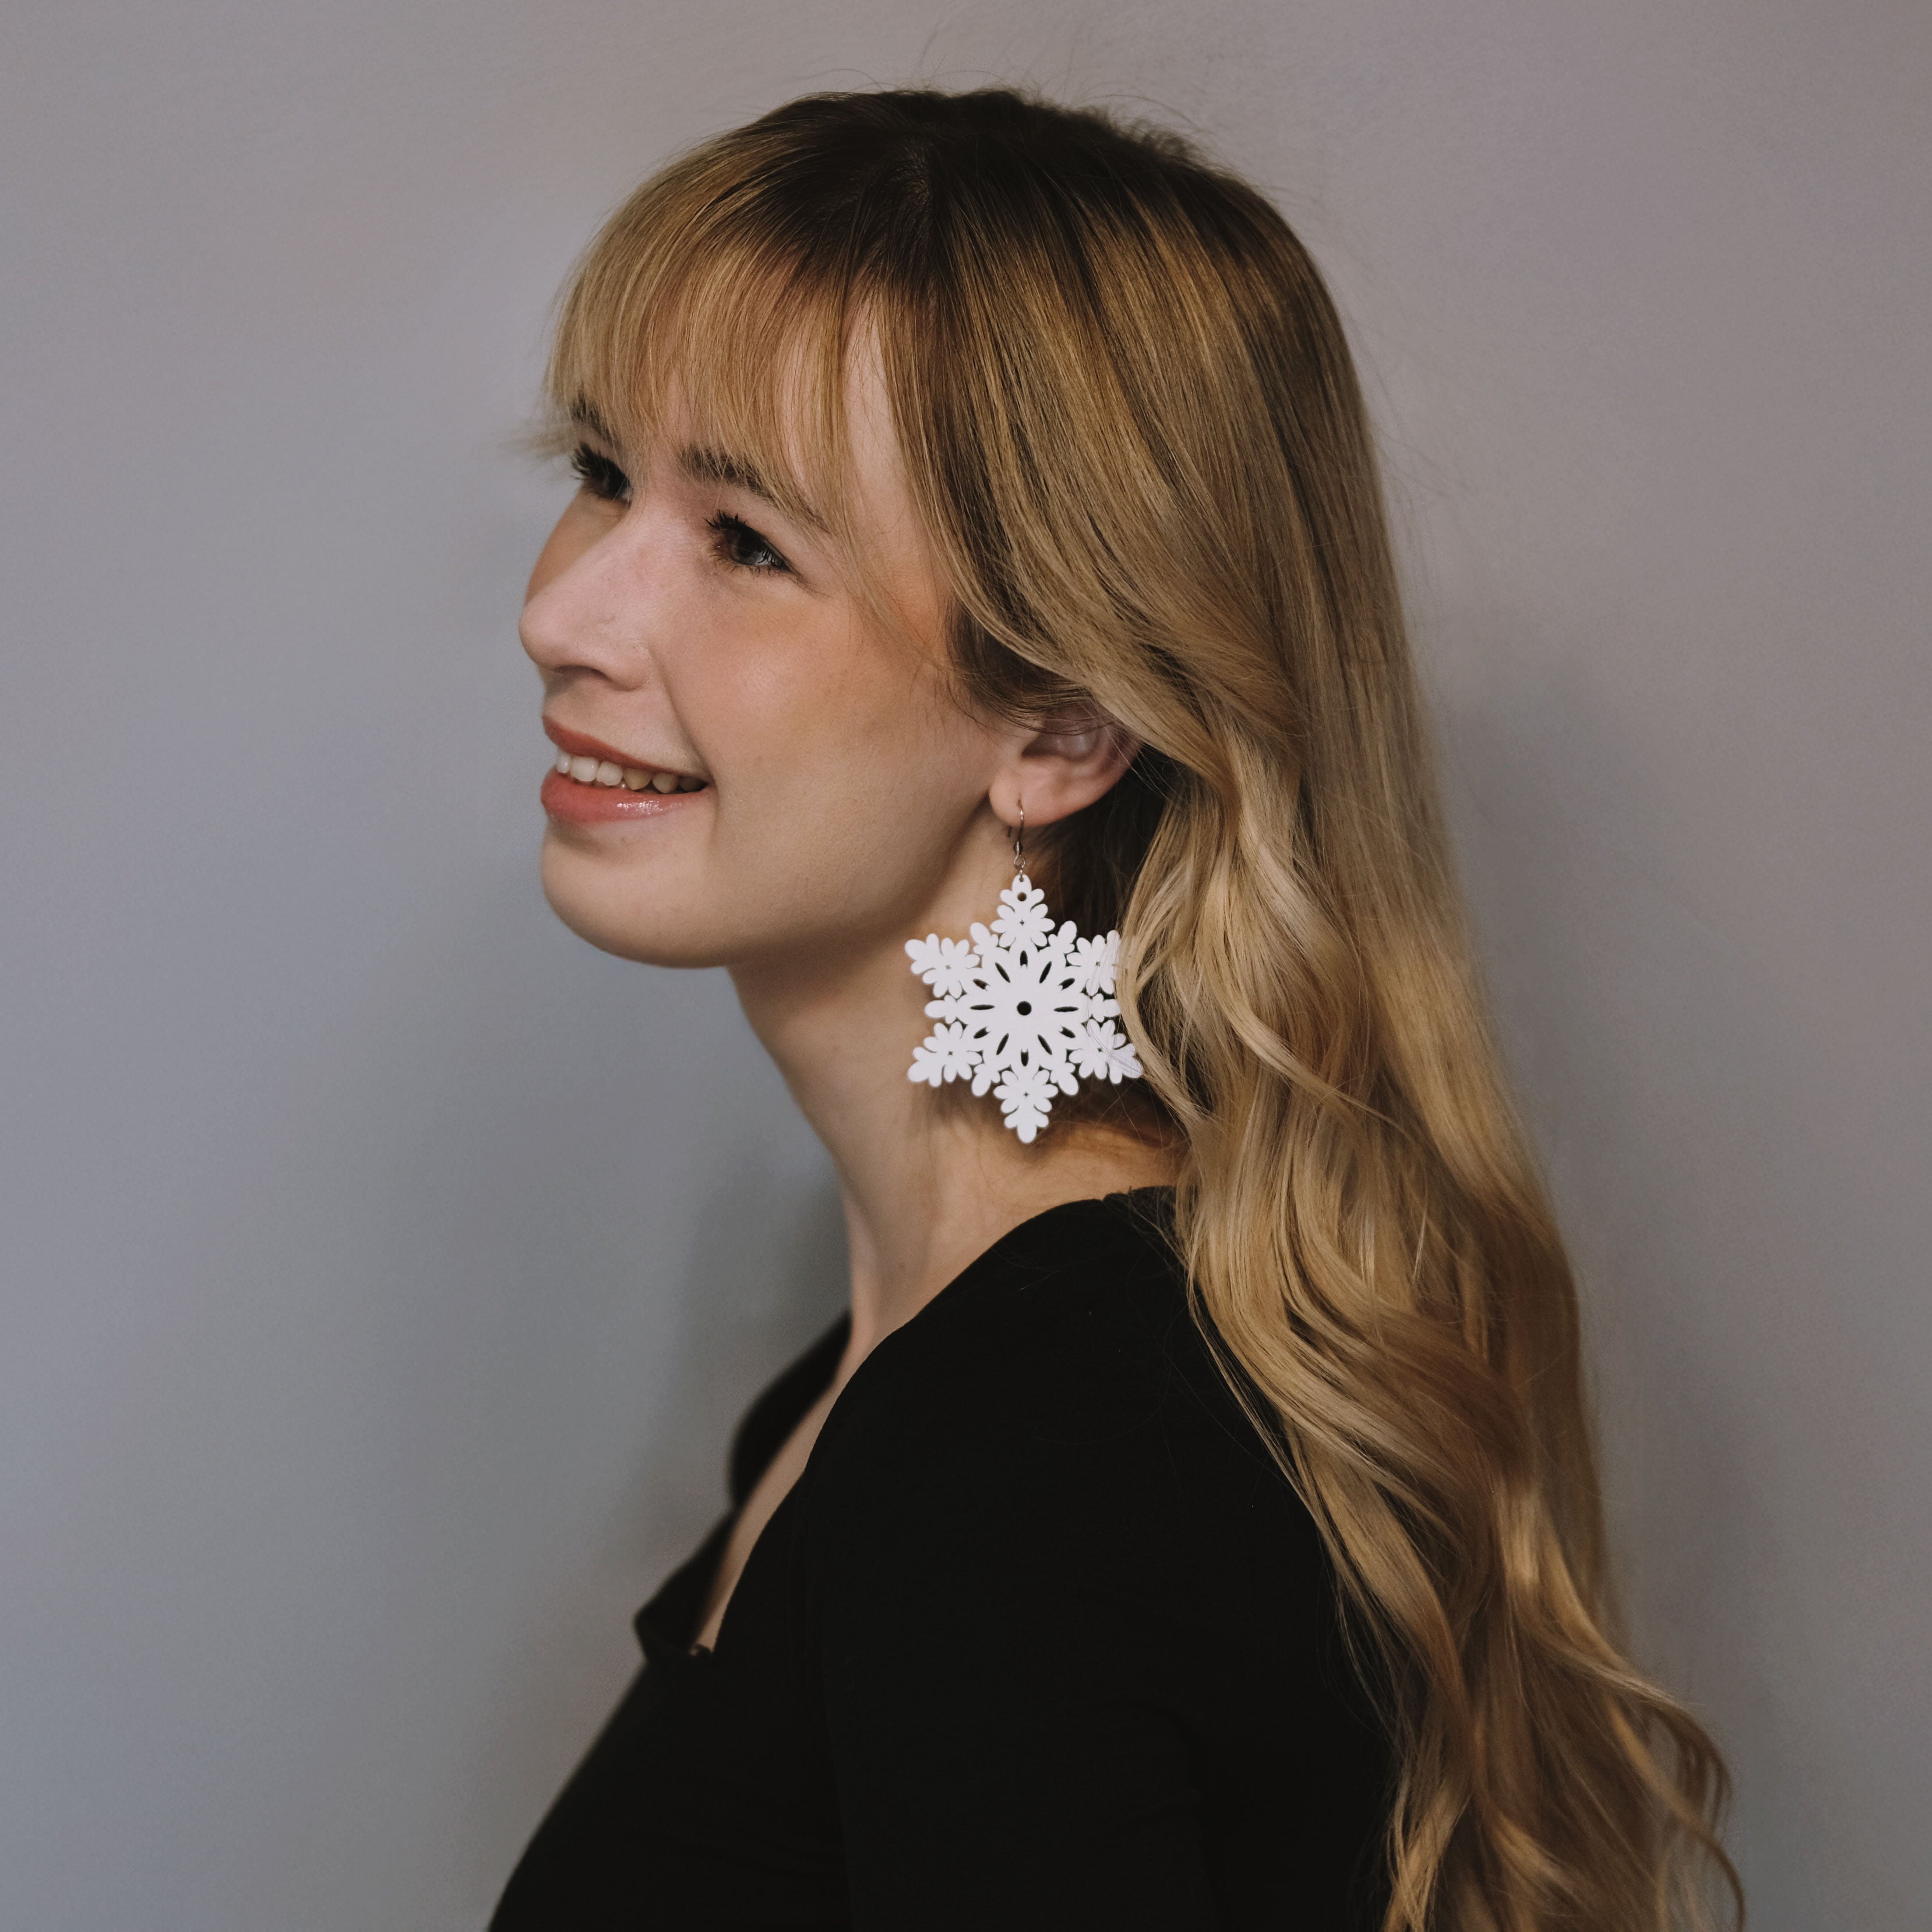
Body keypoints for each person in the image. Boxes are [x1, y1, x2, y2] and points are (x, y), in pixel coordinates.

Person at [488, 86, 1738, 1932]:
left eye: (745, 540)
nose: (566, 612)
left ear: (1062, 730)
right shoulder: (928, 1380)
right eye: (601, 471)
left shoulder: (1023, 1442)